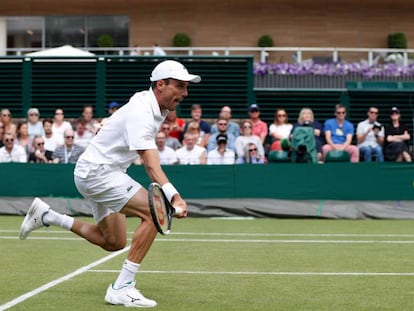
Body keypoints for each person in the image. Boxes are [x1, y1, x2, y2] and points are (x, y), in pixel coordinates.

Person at [19, 59, 199, 308]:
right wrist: (173, 196)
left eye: (186, 87)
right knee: (155, 211)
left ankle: (48, 216)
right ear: (160, 84)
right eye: (179, 86)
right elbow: (149, 161)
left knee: (113, 242)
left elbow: (122, 126)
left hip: (96, 171)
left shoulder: (155, 105)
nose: (184, 93)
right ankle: (122, 287)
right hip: (99, 173)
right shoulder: (142, 112)